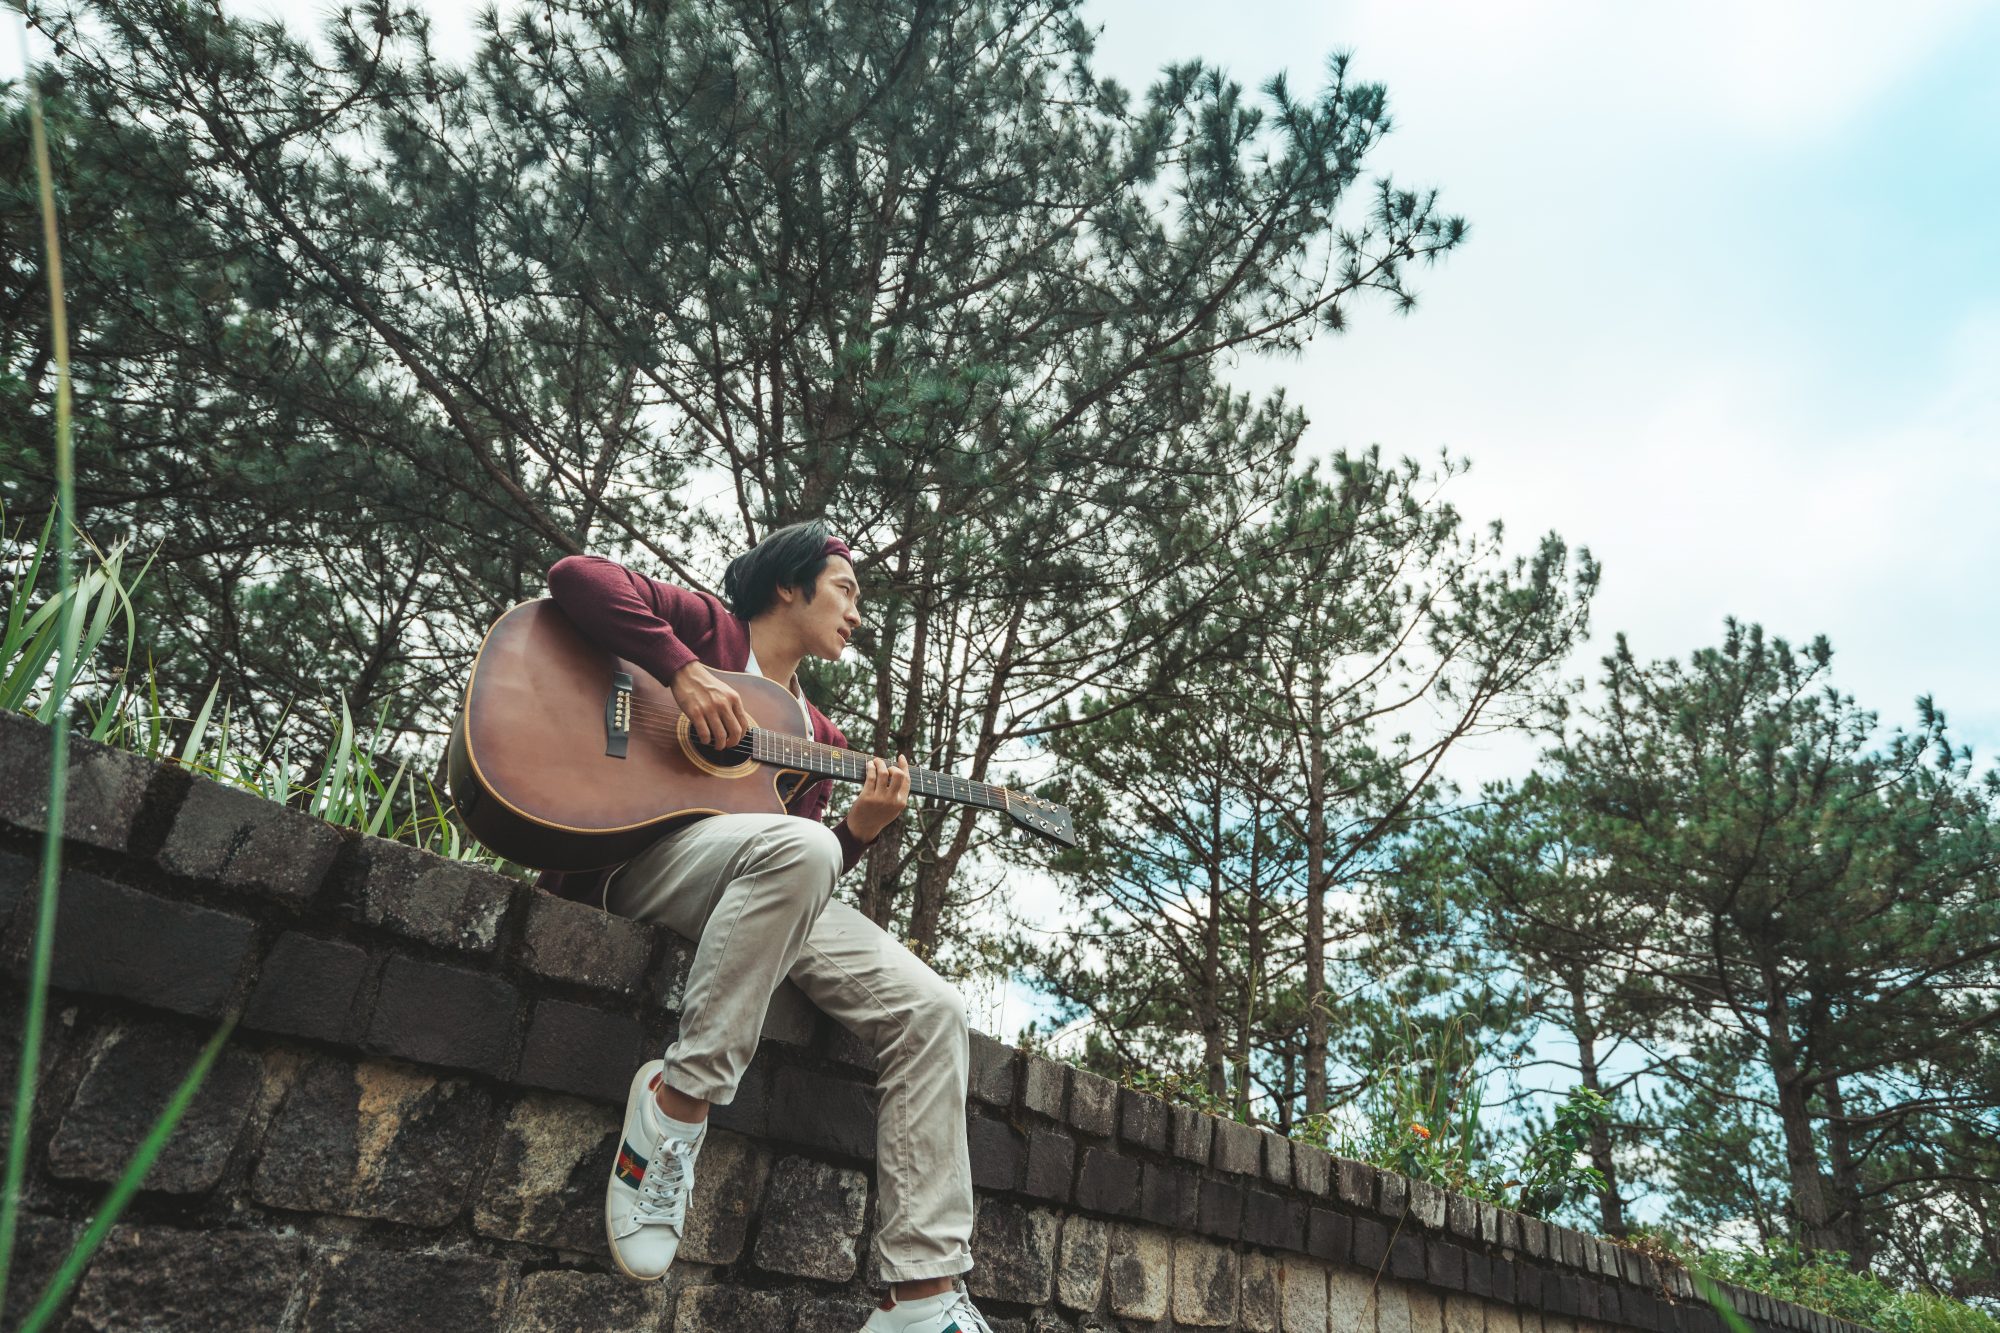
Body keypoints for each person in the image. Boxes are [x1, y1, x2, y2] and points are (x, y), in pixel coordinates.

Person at [536, 521, 991, 1333]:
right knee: (801, 846)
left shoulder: (823, 739)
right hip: (637, 859)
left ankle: (920, 1296)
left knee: (933, 1010)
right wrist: (682, 673)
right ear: (789, 584)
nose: (857, 613)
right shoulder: (706, 630)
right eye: (845, 590)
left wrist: (857, 831)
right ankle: (677, 1106)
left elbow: (797, 878)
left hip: (755, 876)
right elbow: (576, 574)